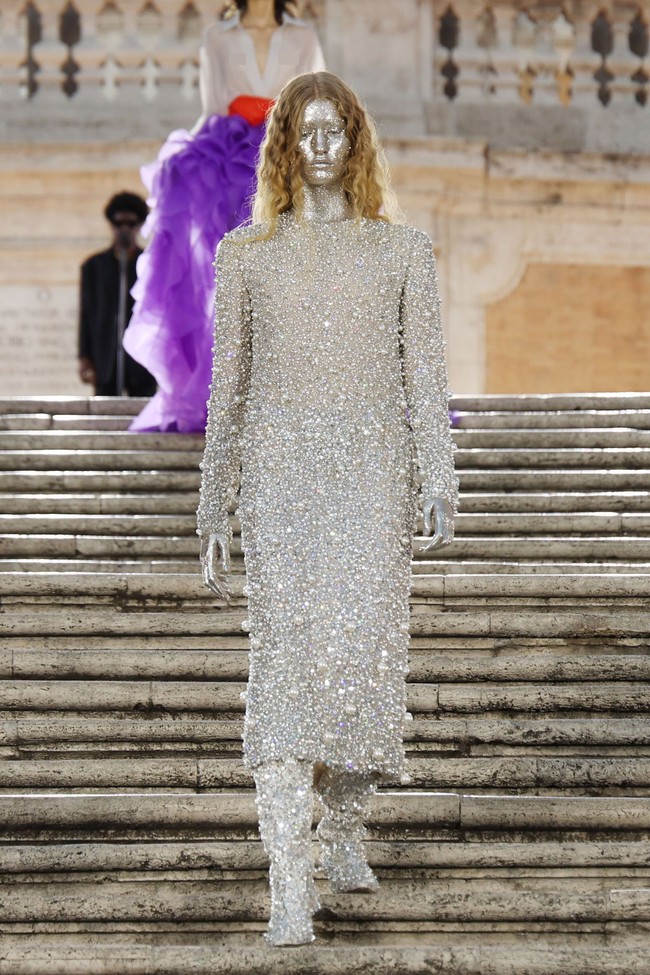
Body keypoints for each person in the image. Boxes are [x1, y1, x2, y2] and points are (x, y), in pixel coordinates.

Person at [196, 71, 458, 946]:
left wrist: (439, 473)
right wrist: (212, 499)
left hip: (372, 476)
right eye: (301, 131)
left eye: (332, 131)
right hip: (280, 480)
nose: (317, 146)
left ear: (354, 142)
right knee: (284, 673)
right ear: (282, 145)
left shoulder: (402, 252)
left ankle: (342, 827)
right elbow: (226, 387)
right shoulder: (245, 255)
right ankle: (286, 882)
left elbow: (426, 374)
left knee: (362, 663)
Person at [122, 0, 325, 433]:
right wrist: (180, 163)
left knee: (297, 275)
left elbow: (315, 103)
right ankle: (227, 390)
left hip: (286, 161)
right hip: (227, 163)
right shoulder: (216, 38)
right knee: (225, 282)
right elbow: (213, 107)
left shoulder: (304, 36)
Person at [78, 192, 156, 397]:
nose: (124, 229)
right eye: (118, 222)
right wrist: (84, 356)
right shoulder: (94, 266)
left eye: (131, 223)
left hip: (142, 360)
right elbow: (86, 313)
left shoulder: (150, 263)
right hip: (105, 357)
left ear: (140, 225)